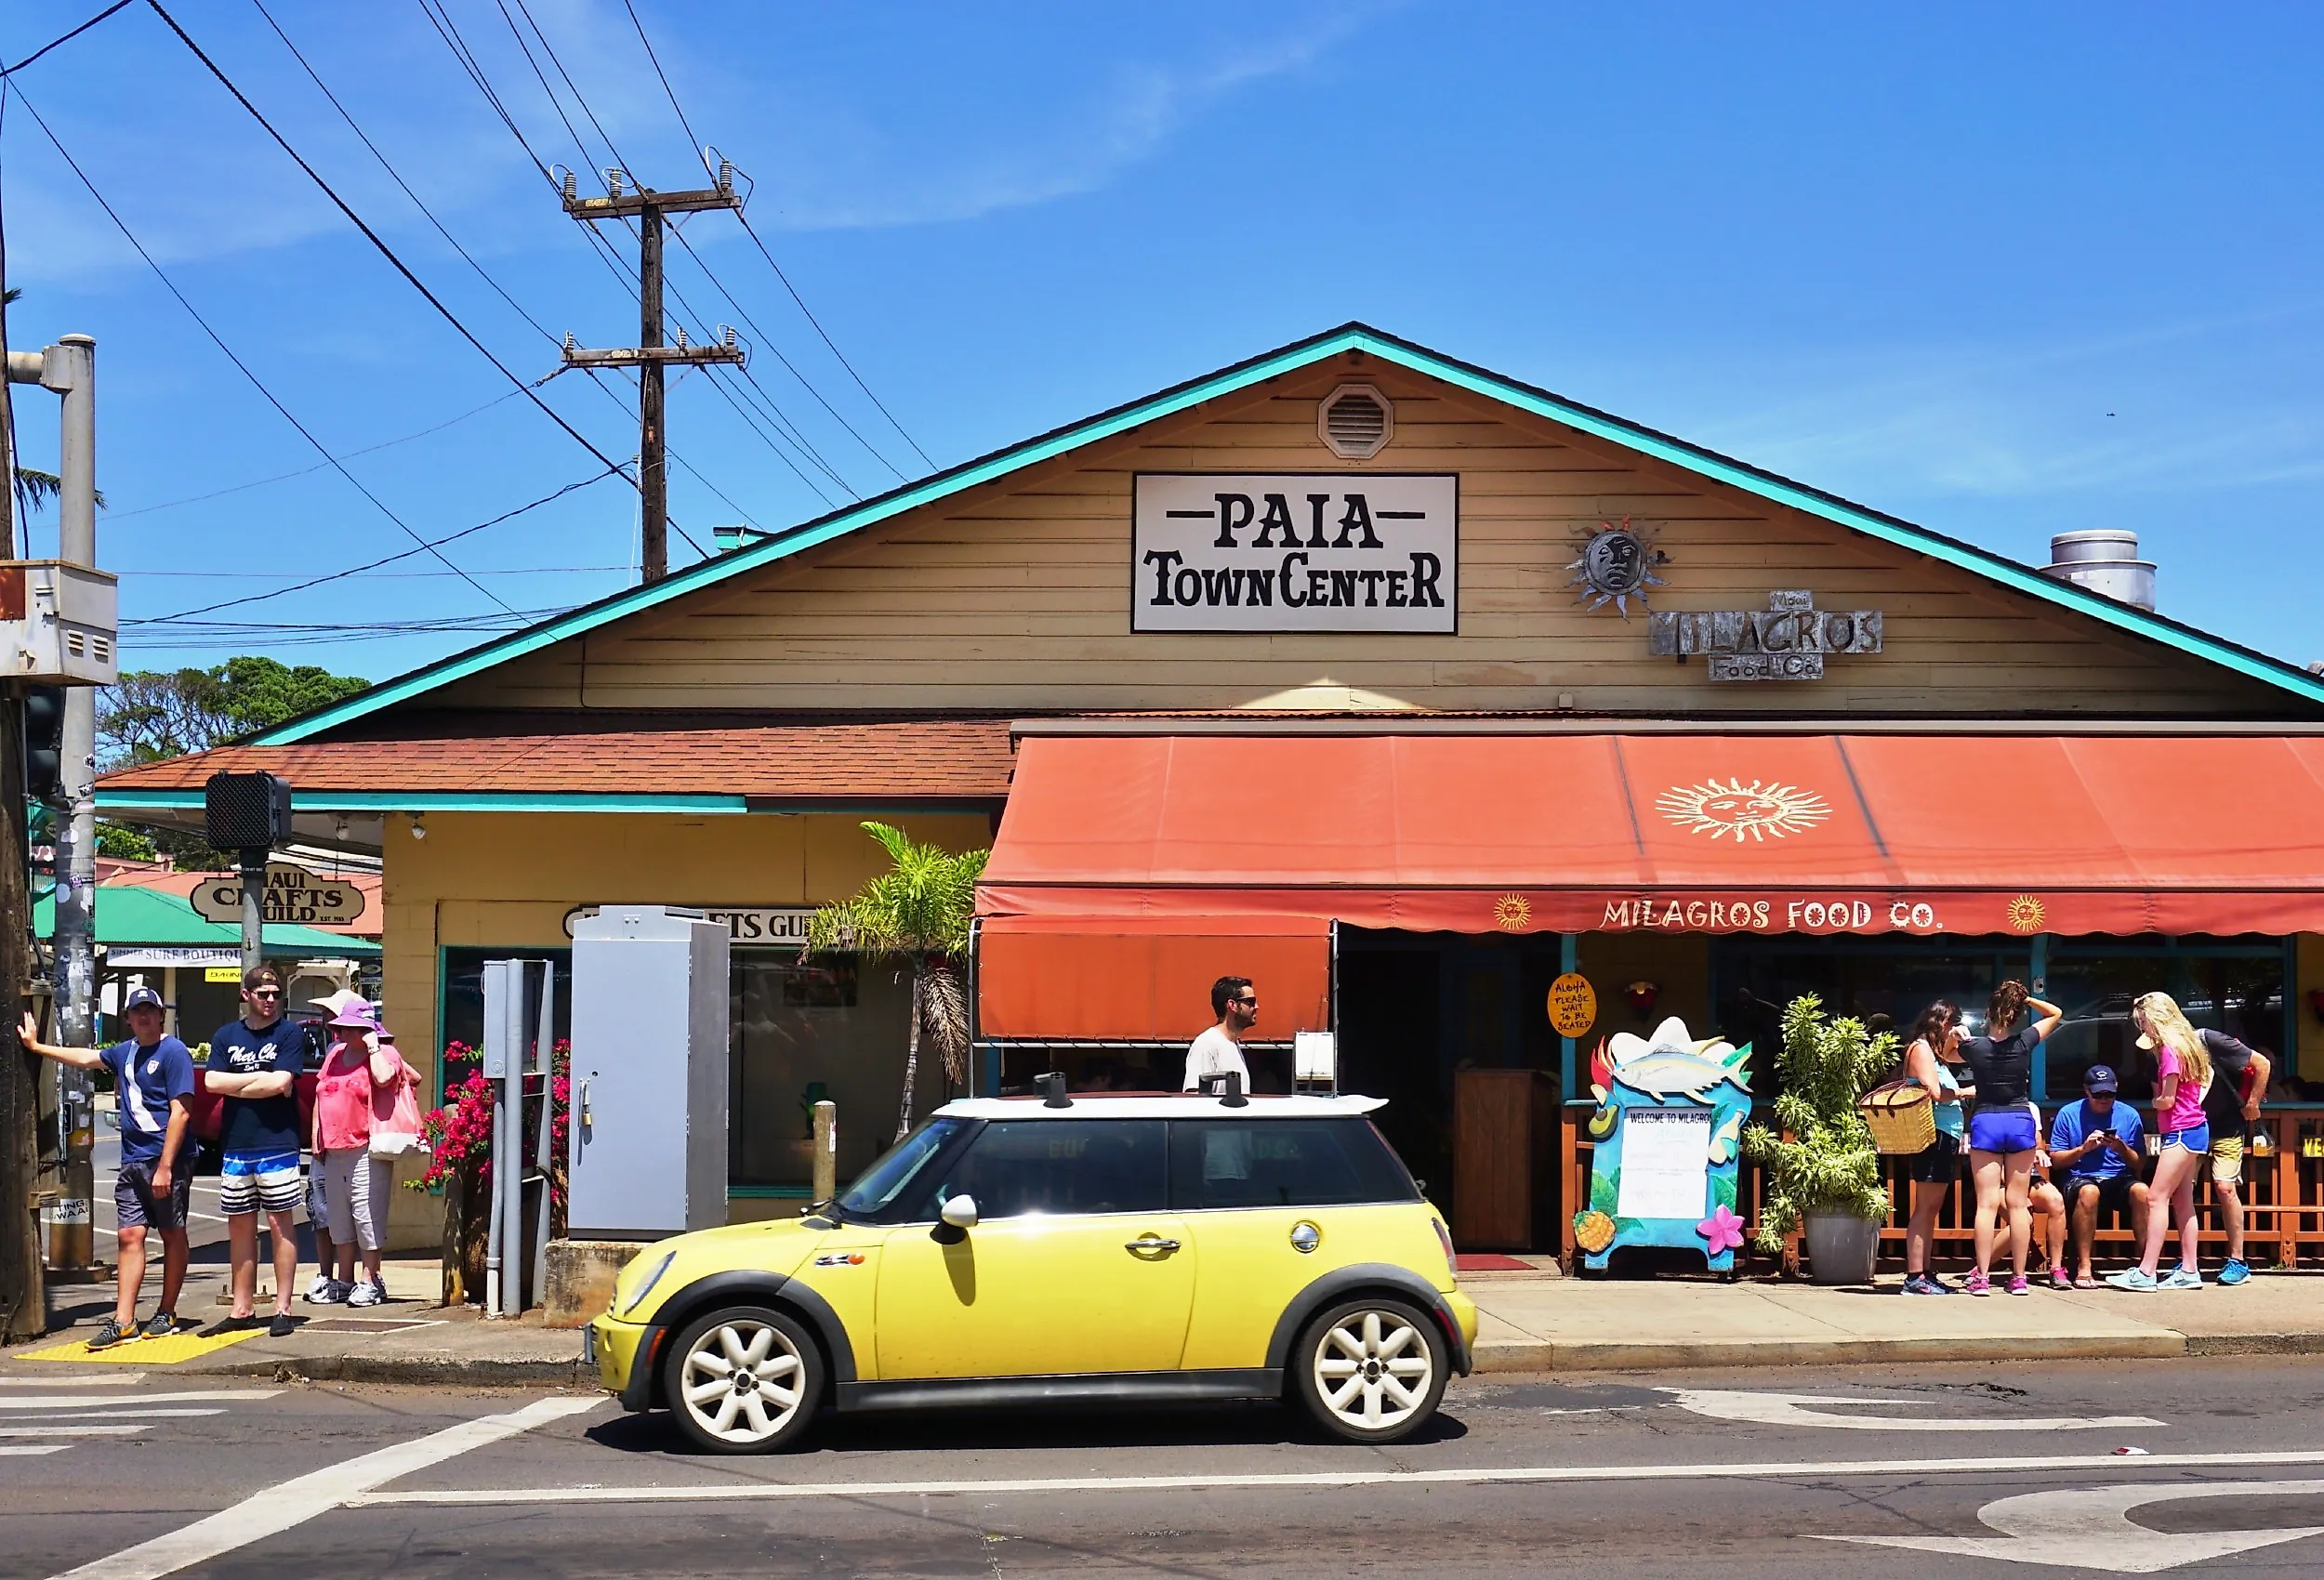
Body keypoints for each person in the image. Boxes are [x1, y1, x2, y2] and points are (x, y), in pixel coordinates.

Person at [18, 989, 194, 1349]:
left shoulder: (174, 1052)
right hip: (132, 1161)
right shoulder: (123, 1052)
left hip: (166, 1159)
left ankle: (167, 1312)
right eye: (137, 1011)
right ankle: (123, 1321)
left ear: (160, 1015)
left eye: (150, 1010)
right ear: (127, 1018)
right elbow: (86, 1058)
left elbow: (181, 1112)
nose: (144, 1016)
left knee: (172, 1233)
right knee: (129, 1236)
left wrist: (165, 1167)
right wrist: (37, 1047)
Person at [205, 966, 308, 1336]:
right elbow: (211, 1081)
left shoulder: (289, 1033)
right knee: (240, 1227)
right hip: (236, 1145)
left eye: (276, 994)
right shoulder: (226, 1035)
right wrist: (258, 1080)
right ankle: (242, 1308)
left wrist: (237, 1085)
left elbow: (281, 1082)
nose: (270, 1000)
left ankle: (283, 1308)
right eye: (263, 994)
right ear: (246, 995)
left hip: (277, 1142)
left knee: (280, 1224)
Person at [1955, 981, 2063, 1296]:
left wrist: (1959, 1036)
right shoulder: (2024, 1041)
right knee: (2017, 1204)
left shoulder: (1973, 1047)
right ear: (2015, 1015)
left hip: (1986, 1120)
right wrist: (2025, 999)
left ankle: (1982, 1277)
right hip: (2019, 1121)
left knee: (1987, 1204)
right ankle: (2019, 1278)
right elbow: (2056, 1013)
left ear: (1988, 1015)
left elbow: (1946, 1052)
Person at [2110, 992, 2214, 1292]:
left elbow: (2167, 1100)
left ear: (2157, 1019)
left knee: (2156, 1198)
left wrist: (2154, 1102)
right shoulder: (2189, 1045)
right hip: (2194, 1129)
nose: (2144, 1028)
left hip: (2180, 1130)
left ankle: (2146, 1272)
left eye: (2144, 1022)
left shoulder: (2169, 1050)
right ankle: (2190, 1270)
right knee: (2183, 1202)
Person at [310, 998, 407, 1307]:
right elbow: (321, 1092)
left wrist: (373, 1045)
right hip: (333, 1148)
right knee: (339, 1219)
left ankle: (371, 1279)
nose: (345, 1033)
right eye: (343, 1028)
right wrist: (316, 1136)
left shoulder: (384, 1053)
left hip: (366, 1146)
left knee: (366, 1214)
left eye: (354, 1028)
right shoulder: (335, 1054)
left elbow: (385, 1078)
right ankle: (345, 1280)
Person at [2172, 1019, 2272, 1287]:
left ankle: (2238, 1260)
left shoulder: (2209, 1040)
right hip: (2191, 1128)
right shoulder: (2159, 1052)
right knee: (2182, 1191)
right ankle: (2188, 1261)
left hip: (2227, 1126)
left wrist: (2252, 1104)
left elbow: (2262, 1064)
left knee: (2225, 1188)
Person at [2047, 1064, 2150, 1288]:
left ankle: (2146, 1267)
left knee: (2143, 1192)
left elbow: (2139, 1162)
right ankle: (2084, 1266)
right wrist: (2083, 1149)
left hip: (2118, 1177)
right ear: (2087, 1090)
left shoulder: (2129, 1115)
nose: (2104, 1099)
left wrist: (2121, 1148)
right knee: (2089, 1191)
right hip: (2079, 1176)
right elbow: (2056, 1161)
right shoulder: (2069, 1113)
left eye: (2109, 1094)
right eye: (2098, 1094)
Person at [1899, 1000, 1973, 1295]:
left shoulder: (1936, 1052)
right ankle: (1914, 1276)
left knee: (1932, 1208)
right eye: (1952, 1022)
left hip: (1945, 1136)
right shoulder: (1920, 1049)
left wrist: (1961, 1038)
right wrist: (1967, 1091)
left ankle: (1925, 1272)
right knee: (1925, 1208)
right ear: (1939, 1021)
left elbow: (1964, 1055)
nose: (1954, 1027)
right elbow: (1935, 1091)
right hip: (1933, 1136)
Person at [1183, 977, 1256, 1092]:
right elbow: (1194, 1096)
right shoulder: (1206, 1044)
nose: (1256, 1007)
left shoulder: (1233, 1043)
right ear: (1232, 1005)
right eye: (1250, 1002)